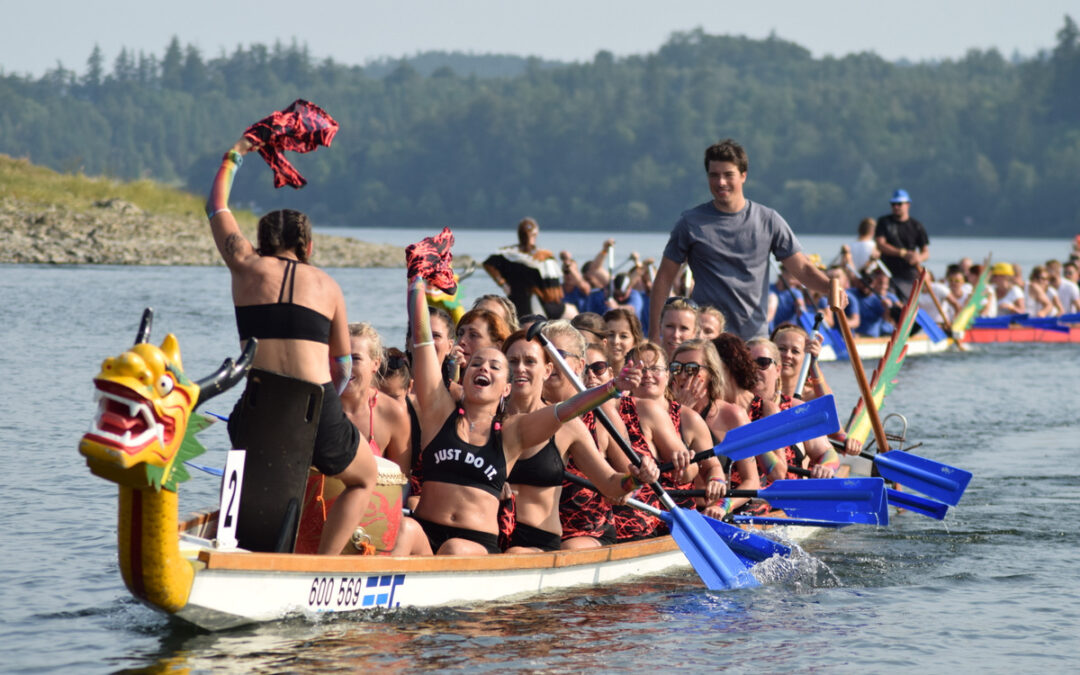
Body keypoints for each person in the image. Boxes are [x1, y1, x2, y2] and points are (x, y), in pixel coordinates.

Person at [207, 137, 376, 556]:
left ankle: (232, 542)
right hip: (313, 409)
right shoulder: (327, 284)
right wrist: (331, 409)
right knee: (365, 478)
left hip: (258, 407)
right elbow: (342, 368)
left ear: (262, 243)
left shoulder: (243, 264)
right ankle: (324, 565)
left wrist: (237, 153)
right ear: (308, 247)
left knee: (243, 443)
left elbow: (216, 208)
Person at [394, 272, 639, 556]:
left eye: (495, 367)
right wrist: (417, 284)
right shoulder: (439, 414)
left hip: (473, 545)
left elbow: (565, 411)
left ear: (506, 387)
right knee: (404, 527)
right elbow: (422, 342)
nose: (484, 368)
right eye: (476, 364)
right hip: (427, 533)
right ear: (465, 372)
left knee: (455, 548)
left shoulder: (512, 431)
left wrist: (612, 388)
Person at [650, 139, 841, 342]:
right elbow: (663, 279)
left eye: (728, 175)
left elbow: (803, 269)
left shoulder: (768, 220)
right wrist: (654, 335)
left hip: (753, 339)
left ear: (743, 175)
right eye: (714, 175)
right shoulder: (690, 223)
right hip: (706, 339)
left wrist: (831, 288)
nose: (720, 182)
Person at [502, 328, 657, 553]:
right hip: (491, 536)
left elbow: (611, 485)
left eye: (529, 361)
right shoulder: (486, 417)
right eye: (512, 361)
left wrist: (635, 480)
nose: (520, 368)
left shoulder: (570, 425)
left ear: (547, 370)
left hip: (538, 544)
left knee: (515, 554)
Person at [746, 337, 838, 480]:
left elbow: (826, 452)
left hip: (787, 498)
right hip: (741, 498)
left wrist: (826, 467)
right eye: (747, 363)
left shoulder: (796, 409)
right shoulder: (732, 410)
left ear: (777, 370)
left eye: (762, 363)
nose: (754, 369)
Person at [341, 324, 412, 475]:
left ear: (376, 363)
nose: (346, 365)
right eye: (340, 356)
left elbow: (401, 482)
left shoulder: (393, 413)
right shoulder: (316, 406)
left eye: (355, 358)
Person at [482, 217, 569, 319]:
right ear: (535, 234)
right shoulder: (543, 257)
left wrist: (502, 283)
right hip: (539, 304)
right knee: (572, 311)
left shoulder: (509, 254)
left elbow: (488, 264)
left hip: (515, 301)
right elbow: (553, 292)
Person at [875, 189, 929, 302]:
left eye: (899, 204)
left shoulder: (917, 226)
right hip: (887, 273)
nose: (896, 207)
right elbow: (880, 244)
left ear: (907, 205)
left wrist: (918, 258)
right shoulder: (884, 222)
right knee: (889, 303)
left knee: (905, 304)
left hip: (908, 275)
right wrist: (902, 253)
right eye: (893, 204)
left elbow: (925, 252)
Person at [604, 307, 644, 374]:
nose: (615, 341)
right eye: (610, 335)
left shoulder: (643, 378)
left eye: (623, 336)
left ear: (635, 341)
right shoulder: (590, 375)